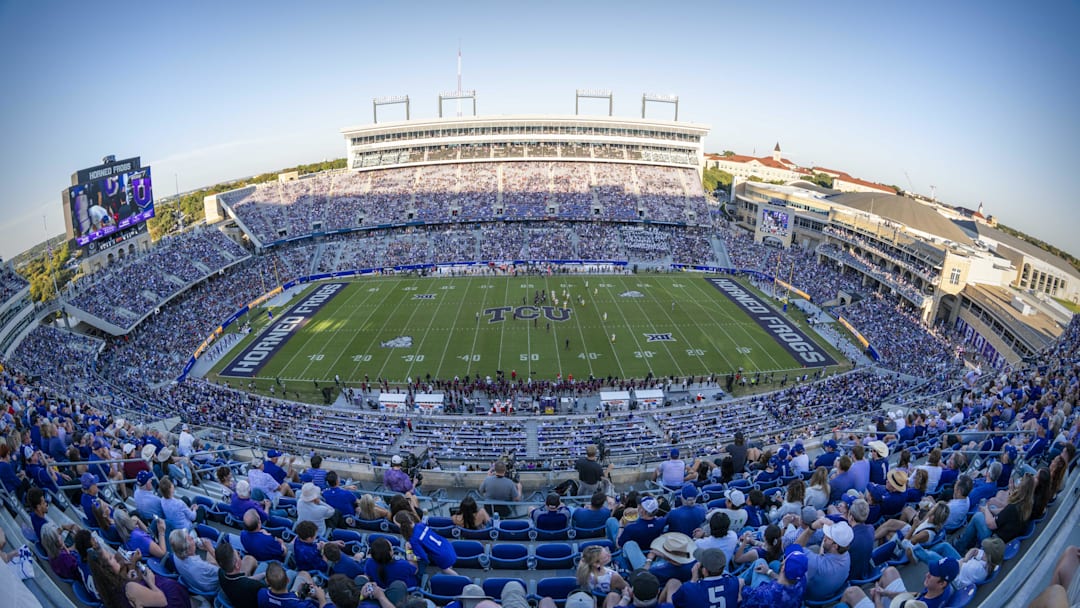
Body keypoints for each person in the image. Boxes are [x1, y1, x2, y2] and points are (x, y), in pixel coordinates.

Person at [88, 545, 190, 608]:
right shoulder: (129, 588)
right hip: (168, 601)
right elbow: (163, 601)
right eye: (110, 558)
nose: (114, 558)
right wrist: (151, 582)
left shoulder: (108, 590)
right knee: (173, 587)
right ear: (106, 569)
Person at [840, 556, 957, 608]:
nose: (927, 575)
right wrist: (886, 593)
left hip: (907, 605)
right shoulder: (945, 589)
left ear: (942, 583)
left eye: (932, 575)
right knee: (890, 571)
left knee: (851, 592)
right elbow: (918, 595)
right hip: (907, 603)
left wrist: (877, 598)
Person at [663, 547, 739, 608]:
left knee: (673, 583)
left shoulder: (688, 588)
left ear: (704, 571)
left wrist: (693, 580)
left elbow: (674, 602)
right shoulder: (734, 582)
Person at [740, 544, 808, 608]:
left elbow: (741, 601)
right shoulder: (802, 580)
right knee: (766, 563)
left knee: (759, 562)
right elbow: (786, 581)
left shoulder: (765, 594)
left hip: (760, 597)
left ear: (783, 567)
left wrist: (740, 585)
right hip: (786, 602)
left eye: (785, 557)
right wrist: (768, 572)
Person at [393, 511, 457, 575]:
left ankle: (461, 581)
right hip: (446, 545)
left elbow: (423, 557)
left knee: (446, 570)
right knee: (449, 563)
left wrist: (409, 555)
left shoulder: (414, 540)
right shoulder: (420, 525)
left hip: (442, 556)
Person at [170, 528, 220, 596]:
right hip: (214, 588)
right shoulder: (202, 566)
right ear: (188, 549)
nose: (192, 537)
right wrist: (210, 549)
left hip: (196, 584)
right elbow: (227, 569)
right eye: (190, 539)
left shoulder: (175, 555)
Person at [256, 561, 327, 608]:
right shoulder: (299, 604)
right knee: (304, 574)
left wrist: (298, 593)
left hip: (290, 599)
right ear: (288, 580)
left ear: (267, 581)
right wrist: (321, 598)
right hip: (293, 602)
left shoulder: (261, 594)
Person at [217, 541, 267, 608]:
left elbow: (244, 580)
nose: (240, 555)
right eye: (238, 554)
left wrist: (263, 574)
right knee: (264, 565)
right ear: (237, 565)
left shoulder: (220, 573)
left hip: (236, 599)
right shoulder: (254, 586)